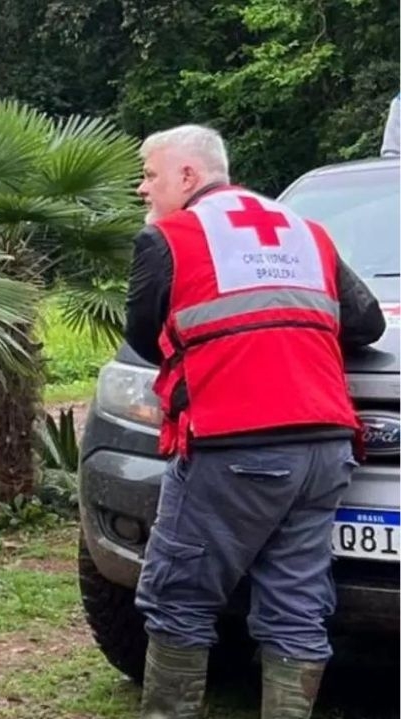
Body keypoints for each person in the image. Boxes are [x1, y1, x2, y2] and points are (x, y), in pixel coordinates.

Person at [123, 124, 386, 719]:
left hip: (233, 444)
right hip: (324, 448)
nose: (143, 188)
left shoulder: (171, 236)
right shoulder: (305, 232)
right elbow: (366, 322)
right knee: (296, 606)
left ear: (188, 176)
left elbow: (143, 336)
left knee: (177, 599)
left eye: (150, 174)